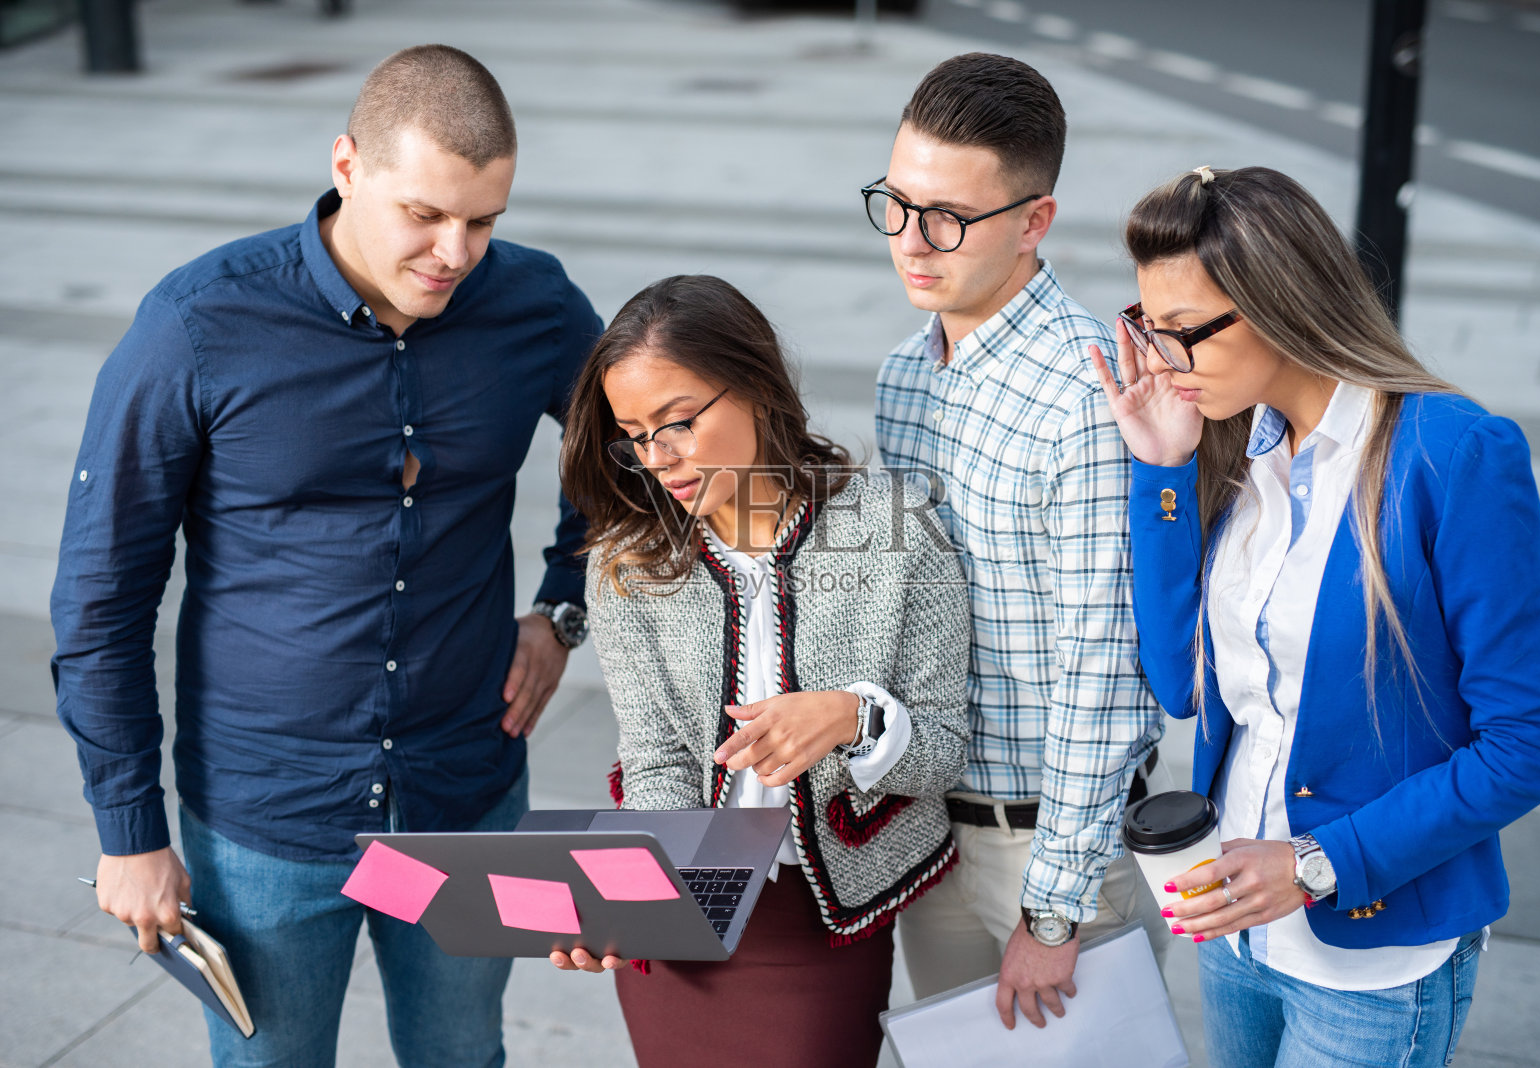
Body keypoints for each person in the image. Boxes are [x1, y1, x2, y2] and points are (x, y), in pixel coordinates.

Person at [50, 45, 601, 1067]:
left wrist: (562, 604)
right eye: (424, 215)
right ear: (347, 164)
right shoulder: (198, 325)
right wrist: (129, 829)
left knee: (463, 1057)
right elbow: (100, 594)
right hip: (267, 814)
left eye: (483, 221)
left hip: (464, 793)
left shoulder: (534, 306)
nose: (455, 251)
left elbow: (633, 453)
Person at [1090, 164, 1540, 1067]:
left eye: (1182, 333)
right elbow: (1181, 683)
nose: (1159, 362)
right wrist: (1162, 469)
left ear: (1278, 304)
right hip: (1236, 933)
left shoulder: (1453, 456)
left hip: (1372, 953)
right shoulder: (1244, 451)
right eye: (1145, 328)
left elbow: (1533, 743)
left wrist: (1318, 862)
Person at [548, 274, 971, 1068]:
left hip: (823, 918)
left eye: (676, 423)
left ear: (755, 387)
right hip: (684, 914)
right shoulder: (627, 560)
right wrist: (633, 907)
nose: (658, 459)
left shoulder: (894, 530)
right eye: (634, 435)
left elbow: (943, 748)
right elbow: (655, 756)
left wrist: (852, 718)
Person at [868, 52, 1168, 1030]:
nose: (913, 243)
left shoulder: (1085, 399)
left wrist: (1055, 906)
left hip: (1052, 856)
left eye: (948, 218)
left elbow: (1103, 674)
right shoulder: (902, 379)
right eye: (897, 204)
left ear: (1034, 220)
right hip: (931, 841)